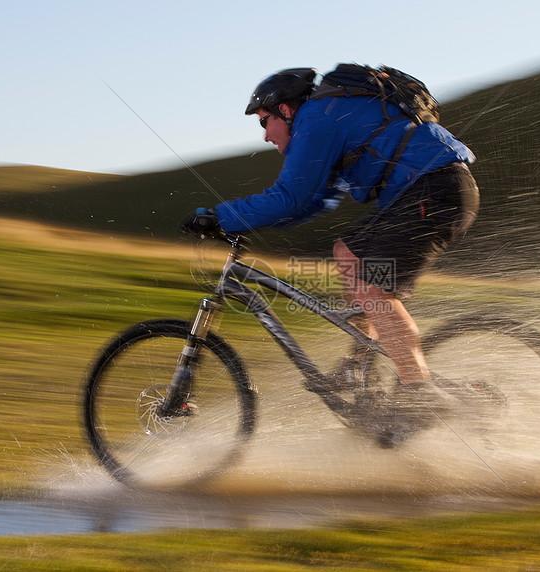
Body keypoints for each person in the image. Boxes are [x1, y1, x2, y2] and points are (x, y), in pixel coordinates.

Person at [182, 66, 479, 421]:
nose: (265, 136)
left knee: (372, 287)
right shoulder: (328, 116)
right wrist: (245, 221)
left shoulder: (316, 118)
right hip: (434, 191)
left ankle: (418, 389)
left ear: (286, 110)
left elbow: (291, 197)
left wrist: (220, 217)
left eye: (264, 122)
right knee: (347, 252)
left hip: (433, 191)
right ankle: (359, 366)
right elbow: (312, 200)